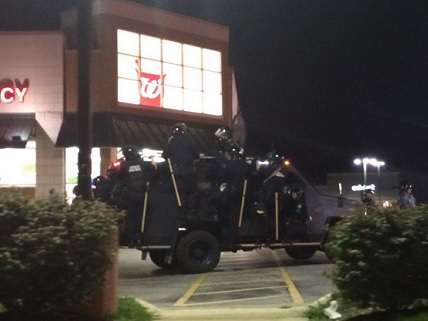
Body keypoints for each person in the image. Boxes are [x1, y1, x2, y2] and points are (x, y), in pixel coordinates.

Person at [116, 146, 156, 247]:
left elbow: (120, 178)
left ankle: (132, 240)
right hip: (143, 195)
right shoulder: (142, 164)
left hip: (131, 196)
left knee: (131, 218)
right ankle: (142, 238)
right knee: (142, 217)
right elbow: (153, 172)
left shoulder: (124, 165)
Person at [162, 123, 198, 204]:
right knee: (189, 194)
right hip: (189, 172)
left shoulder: (171, 141)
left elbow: (164, 155)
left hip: (176, 173)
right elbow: (196, 155)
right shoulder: (189, 140)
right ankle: (190, 210)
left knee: (177, 194)